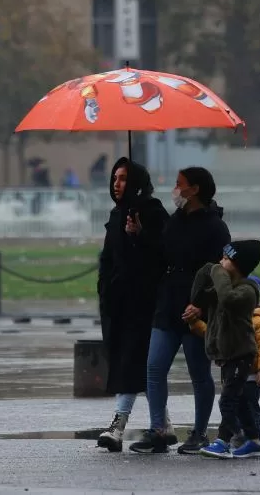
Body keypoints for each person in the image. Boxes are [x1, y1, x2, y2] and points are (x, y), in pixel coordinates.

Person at [130, 166, 231, 455]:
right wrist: (140, 235)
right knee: (154, 367)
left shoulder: (215, 227)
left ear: (195, 189)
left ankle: (199, 433)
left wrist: (201, 304)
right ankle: (158, 430)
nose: (175, 189)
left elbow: (221, 271)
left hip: (196, 306)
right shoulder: (175, 221)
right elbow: (161, 253)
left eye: (180, 184)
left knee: (199, 373)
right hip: (168, 301)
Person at [95, 158, 170, 452]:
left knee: (134, 363)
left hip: (145, 302)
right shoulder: (117, 214)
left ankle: (119, 424)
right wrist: (105, 287)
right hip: (119, 301)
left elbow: (164, 254)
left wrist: (140, 236)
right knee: (137, 365)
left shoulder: (151, 212)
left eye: (124, 178)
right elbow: (109, 257)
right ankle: (162, 423)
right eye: (114, 177)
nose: (117, 183)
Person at [183, 240, 260, 460]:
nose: (221, 262)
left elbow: (227, 299)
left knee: (227, 401)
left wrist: (217, 272)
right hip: (227, 355)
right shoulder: (223, 285)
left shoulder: (246, 291)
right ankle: (254, 441)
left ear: (238, 265)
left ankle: (224, 440)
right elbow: (202, 295)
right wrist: (206, 273)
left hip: (241, 354)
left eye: (226, 259)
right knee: (239, 403)